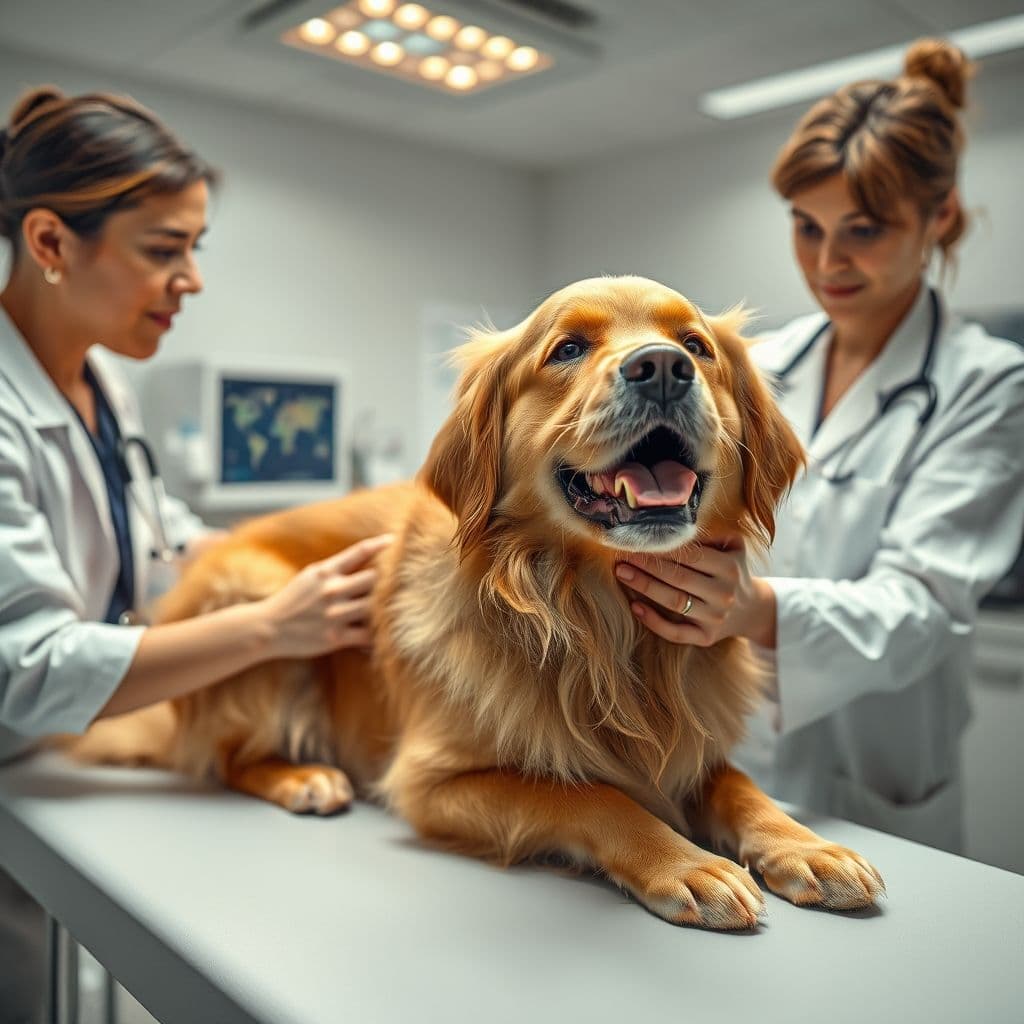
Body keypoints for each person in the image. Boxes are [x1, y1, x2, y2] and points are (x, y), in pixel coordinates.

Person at [0, 87, 389, 1023]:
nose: (192, 281)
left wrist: (288, 554)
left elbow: (157, 537)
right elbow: (25, 666)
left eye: (194, 251)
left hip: (53, 772)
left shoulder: (99, 384)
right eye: (163, 251)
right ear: (51, 243)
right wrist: (268, 626)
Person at [615, 38, 1024, 854]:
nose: (827, 262)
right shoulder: (756, 367)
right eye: (807, 228)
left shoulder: (990, 383)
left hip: (873, 785)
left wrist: (755, 608)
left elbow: (925, 608)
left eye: (863, 231)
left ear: (940, 216)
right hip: (721, 754)